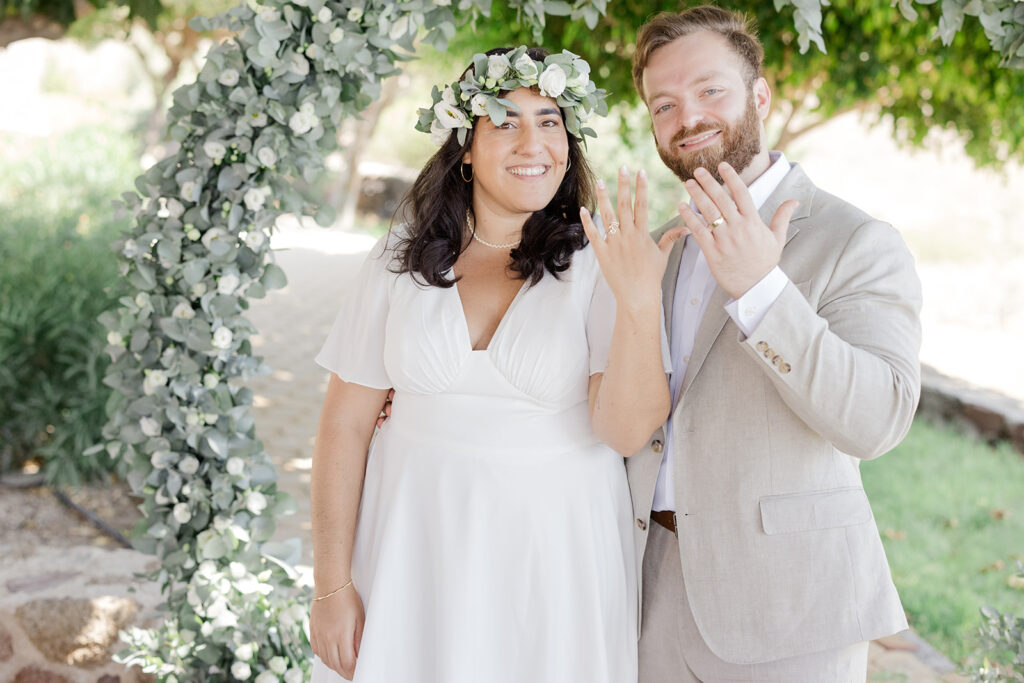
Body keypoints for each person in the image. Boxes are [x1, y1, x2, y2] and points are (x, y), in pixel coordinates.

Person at [308, 46, 680, 683]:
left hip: (553, 559)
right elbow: (342, 427)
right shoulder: (400, 258)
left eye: (550, 121)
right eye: (505, 121)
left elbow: (625, 431)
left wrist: (641, 302)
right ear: (466, 148)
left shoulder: (598, 263)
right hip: (414, 546)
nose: (532, 142)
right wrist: (332, 587)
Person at [625, 7, 923, 682]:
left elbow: (878, 420)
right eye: (663, 103)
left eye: (710, 91)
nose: (687, 117)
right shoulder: (663, 245)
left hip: (789, 606)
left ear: (760, 96)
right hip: (651, 591)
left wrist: (762, 290)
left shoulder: (855, 240)